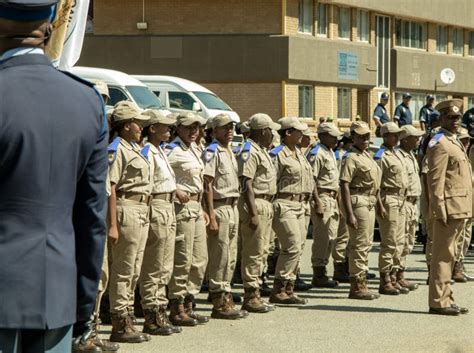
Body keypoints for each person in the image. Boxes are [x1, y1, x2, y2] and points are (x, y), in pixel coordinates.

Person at [0, 1, 108, 352]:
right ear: (48, 29)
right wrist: (83, 304)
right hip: (56, 291)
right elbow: (93, 217)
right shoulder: (86, 100)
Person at [107, 102, 152, 343]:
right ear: (126, 126)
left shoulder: (133, 148)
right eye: (138, 123)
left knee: (134, 270)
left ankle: (128, 318)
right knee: (124, 270)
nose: (141, 127)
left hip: (141, 210)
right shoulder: (117, 149)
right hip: (127, 209)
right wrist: (113, 224)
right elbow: (111, 187)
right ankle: (119, 322)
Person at [138, 109, 184, 336]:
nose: (169, 129)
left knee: (165, 265)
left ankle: (161, 311)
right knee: (153, 266)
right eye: (164, 126)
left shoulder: (161, 150)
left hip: (168, 206)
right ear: (152, 128)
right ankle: (151, 315)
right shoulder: (147, 151)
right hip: (156, 206)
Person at [426, 99, 471, 316]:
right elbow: (435, 180)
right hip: (448, 208)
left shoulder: (454, 141)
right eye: (450, 117)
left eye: (457, 117)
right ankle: (437, 301)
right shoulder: (439, 142)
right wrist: (438, 208)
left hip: (459, 207)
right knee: (442, 256)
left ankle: (446, 297)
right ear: (441, 118)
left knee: (451, 256)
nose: (455, 121)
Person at [166, 112, 209, 326]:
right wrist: (175, 189)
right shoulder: (171, 150)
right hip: (181, 208)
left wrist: (202, 208)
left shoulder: (194, 149)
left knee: (200, 260)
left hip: (196, 206)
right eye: (188, 127)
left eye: (197, 127)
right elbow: (158, 174)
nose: (193, 131)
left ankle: (189, 302)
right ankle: (176, 305)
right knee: (183, 258)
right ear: (178, 128)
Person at [203, 114, 246, 320]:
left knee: (231, 255)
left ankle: (226, 292)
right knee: (219, 255)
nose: (230, 130)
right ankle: (218, 298)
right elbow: (207, 185)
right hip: (220, 207)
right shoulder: (213, 151)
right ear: (214, 131)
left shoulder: (228, 151)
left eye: (232, 127)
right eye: (224, 127)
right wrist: (211, 214)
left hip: (233, 206)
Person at [238, 113, 280, 313]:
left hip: (266, 203)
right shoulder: (250, 151)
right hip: (256, 204)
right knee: (253, 251)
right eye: (270, 130)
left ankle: (256, 292)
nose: (272, 134)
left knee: (263, 250)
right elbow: (246, 183)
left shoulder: (261, 150)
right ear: (263, 130)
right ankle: (250, 294)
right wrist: (253, 213)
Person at [269, 117, 312, 305]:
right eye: (298, 131)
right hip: (284, 204)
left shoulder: (299, 153)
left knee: (299, 247)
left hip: (301, 205)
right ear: (288, 133)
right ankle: (279, 288)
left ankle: (289, 288)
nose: (302, 134)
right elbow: (270, 183)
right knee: (292, 245)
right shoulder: (277, 154)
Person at [340, 121, 382, 300]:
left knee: (366, 244)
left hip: (369, 201)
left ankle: (362, 281)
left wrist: (378, 204)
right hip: (358, 202)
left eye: (367, 136)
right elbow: (344, 184)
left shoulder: (367, 155)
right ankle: (357, 285)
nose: (365, 139)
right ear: (353, 137)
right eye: (361, 136)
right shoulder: (351, 157)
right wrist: (349, 213)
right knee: (359, 245)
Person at [373, 122, 409, 296]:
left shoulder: (397, 154)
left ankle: (394, 275)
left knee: (399, 241)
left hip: (401, 199)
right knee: (389, 241)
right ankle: (385, 279)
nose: (397, 137)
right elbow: (376, 184)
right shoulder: (380, 155)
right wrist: (379, 204)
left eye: (398, 135)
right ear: (386, 136)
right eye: (394, 135)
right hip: (389, 199)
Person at [306, 123, 342, 288]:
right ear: (322, 136)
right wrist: (317, 202)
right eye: (332, 136)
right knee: (322, 237)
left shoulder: (330, 152)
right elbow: (311, 179)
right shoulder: (317, 153)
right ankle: (318, 273)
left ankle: (323, 270)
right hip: (322, 197)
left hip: (332, 198)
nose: (335, 139)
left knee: (331, 238)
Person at [397, 125, 424, 292]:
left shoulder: (411, 156)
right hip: (402, 202)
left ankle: (401, 274)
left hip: (413, 203)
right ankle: (393, 276)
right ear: (405, 139)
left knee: (408, 241)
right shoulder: (397, 155)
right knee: (398, 241)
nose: (418, 140)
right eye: (415, 137)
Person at [331, 130, 353, 283]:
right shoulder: (341, 155)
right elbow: (340, 181)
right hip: (340, 197)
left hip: (349, 197)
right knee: (342, 235)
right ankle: (339, 267)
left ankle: (346, 265)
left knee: (348, 235)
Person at [452, 128, 473, 283]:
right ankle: (454, 267)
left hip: (468, 200)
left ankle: (459, 263)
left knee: (466, 233)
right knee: (457, 235)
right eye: (463, 140)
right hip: (457, 202)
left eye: (467, 140)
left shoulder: (465, 157)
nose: (465, 143)